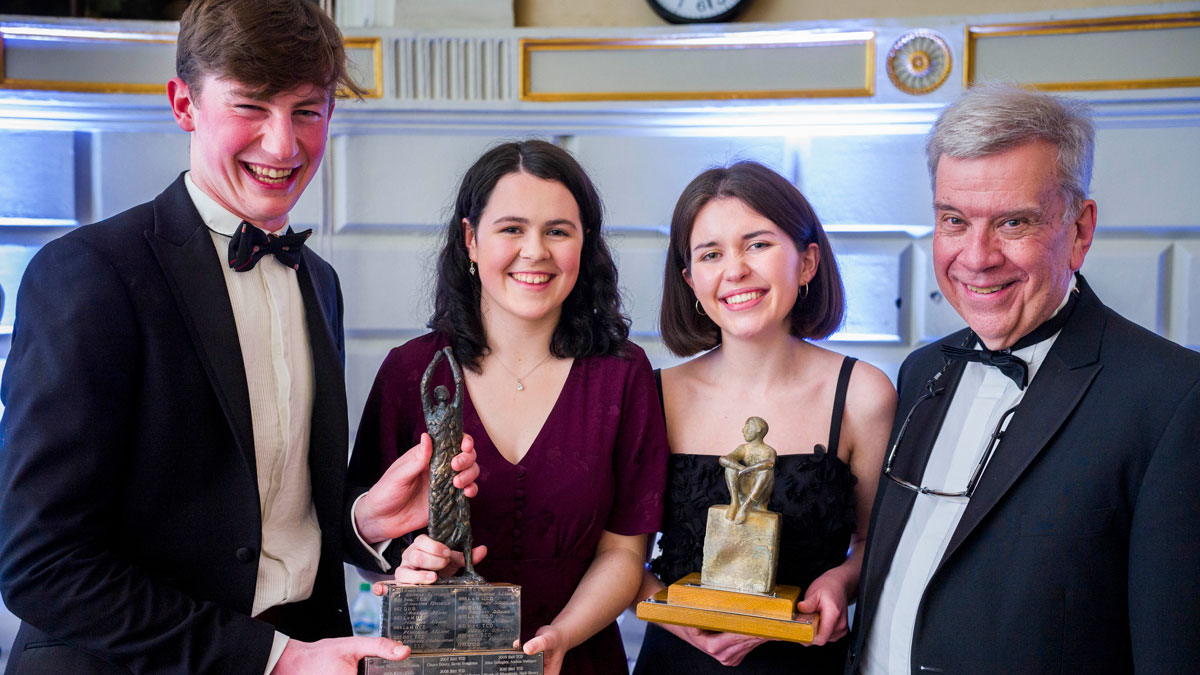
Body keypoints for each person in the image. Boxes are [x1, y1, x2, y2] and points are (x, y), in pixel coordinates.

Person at [0, 2, 479, 673]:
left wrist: (364, 518)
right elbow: (40, 563)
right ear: (183, 104)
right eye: (251, 107)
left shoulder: (320, 281)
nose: (283, 145)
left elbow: (253, 516)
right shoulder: (88, 273)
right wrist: (273, 659)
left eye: (306, 110)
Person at [849, 84, 1200, 674]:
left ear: (1080, 230)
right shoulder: (919, 372)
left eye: (1013, 223)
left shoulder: (1173, 398)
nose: (977, 256)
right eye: (954, 221)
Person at [348, 140, 668, 675]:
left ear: (583, 244)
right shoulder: (409, 372)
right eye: (512, 229)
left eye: (558, 231)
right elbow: (361, 534)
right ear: (472, 240)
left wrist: (560, 638)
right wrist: (413, 562)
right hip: (436, 662)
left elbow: (624, 554)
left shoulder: (623, 374)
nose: (535, 251)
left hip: (578, 658)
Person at [632, 161, 896, 673]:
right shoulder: (653, 394)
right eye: (711, 254)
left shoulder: (863, 394)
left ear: (808, 261)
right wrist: (677, 620)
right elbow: (619, 560)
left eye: (758, 244)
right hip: (678, 661)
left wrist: (840, 583)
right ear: (691, 280)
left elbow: (876, 543)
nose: (735, 271)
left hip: (808, 662)